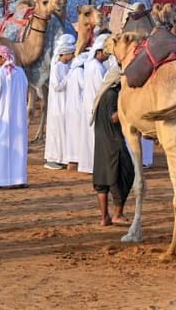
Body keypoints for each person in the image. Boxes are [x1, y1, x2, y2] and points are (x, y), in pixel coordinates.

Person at [90, 64, 134, 225]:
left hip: (102, 141)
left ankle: (105, 218)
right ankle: (117, 215)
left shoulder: (104, 94)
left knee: (102, 181)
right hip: (113, 142)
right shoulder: (111, 95)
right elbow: (113, 117)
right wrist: (128, 108)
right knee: (122, 175)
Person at [77, 34, 111, 175]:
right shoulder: (96, 67)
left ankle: (88, 165)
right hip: (96, 105)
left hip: (89, 105)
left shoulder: (91, 65)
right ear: (98, 52)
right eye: (106, 52)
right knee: (94, 137)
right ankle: (93, 166)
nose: (108, 56)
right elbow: (101, 87)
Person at [44, 35, 76, 170]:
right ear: (64, 53)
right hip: (58, 106)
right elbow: (57, 86)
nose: (73, 56)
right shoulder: (57, 67)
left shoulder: (66, 66)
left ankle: (62, 158)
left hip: (65, 104)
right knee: (57, 133)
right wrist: (71, 75)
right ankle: (53, 158)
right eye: (71, 53)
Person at [0, 46, 29, 188]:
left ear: (3, 57)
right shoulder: (21, 72)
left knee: (2, 147)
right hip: (19, 117)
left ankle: (2, 180)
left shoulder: (0, 74)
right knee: (18, 146)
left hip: (3, 115)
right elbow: (26, 91)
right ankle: (19, 179)